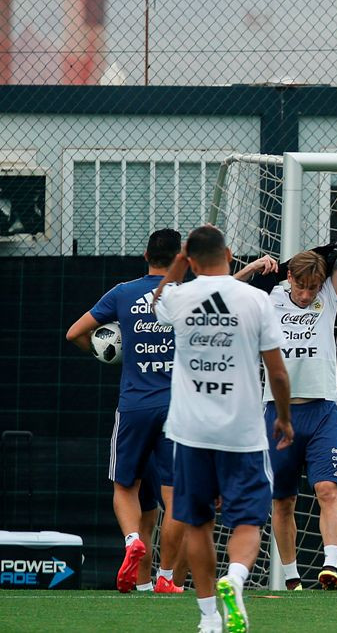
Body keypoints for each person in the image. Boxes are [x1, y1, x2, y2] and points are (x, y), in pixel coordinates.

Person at [153, 225, 294, 633]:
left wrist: (177, 267)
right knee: (249, 521)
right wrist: (283, 417)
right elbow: (278, 374)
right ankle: (235, 578)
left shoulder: (178, 297)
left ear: (191, 260)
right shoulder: (256, 300)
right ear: (230, 254)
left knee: (197, 524)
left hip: (190, 432)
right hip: (242, 433)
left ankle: (209, 617)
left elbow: (158, 297)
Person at [259, 171, 337, 591]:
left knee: (328, 489)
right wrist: (250, 268)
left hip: (322, 410)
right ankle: (292, 577)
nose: (310, 294)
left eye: (315, 287)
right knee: (283, 499)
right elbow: (223, 290)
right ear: (290, 278)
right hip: (277, 413)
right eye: (304, 286)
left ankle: (330, 565)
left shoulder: (329, 295)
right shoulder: (270, 297)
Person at [65, 229, 188, 594]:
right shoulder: (186, 297)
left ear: (146, 255)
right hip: (177, 408)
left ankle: (133, 539)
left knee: (125, 485)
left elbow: (75, 333)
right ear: (179, 258)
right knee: (175, 496)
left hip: (135, 403)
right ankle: (166, 577)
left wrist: (107, 354)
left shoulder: (122, 293)